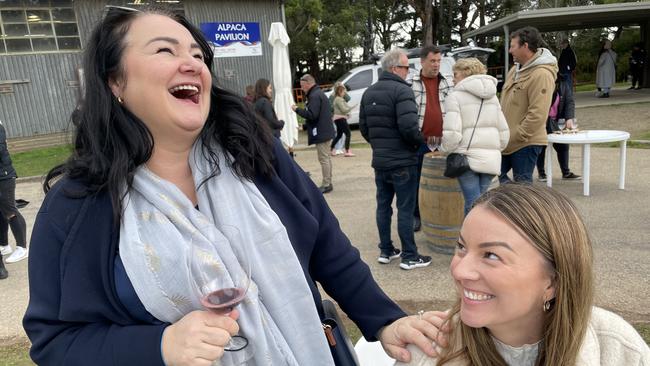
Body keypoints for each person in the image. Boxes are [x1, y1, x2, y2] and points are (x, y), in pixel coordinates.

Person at [22, 7, 441, 366]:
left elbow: (328, 247)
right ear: (114, 82)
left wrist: (384, 320)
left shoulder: (255, 152)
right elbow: (56, 342)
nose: (192, 64)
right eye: (166, 50)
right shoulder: (77, 204)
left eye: (198, 54)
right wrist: (160, 345)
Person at [397, 184, 650, 366]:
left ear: (553, 281)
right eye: (462, 247)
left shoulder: (617, 348)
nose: (460, 271)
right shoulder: (428, 350)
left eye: (491, 255)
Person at [359, 48, 430, 271]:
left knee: (383, 206)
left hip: (380, 161)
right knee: (405, 209)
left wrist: (380, 145)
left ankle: (386, 250)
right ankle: (409, 255)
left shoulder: (369, 92)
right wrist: (418, 143)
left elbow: (364, 128)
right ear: (394, 68)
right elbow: (409, 128)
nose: (409, 71)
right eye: (406, 67)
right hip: (402, 161)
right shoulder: (402, 91)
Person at [440, 58, 509, 216]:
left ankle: (470, 240)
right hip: (490, 160)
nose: (453, 78)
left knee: (473, 206)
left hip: (467, 160)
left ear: (466, 73)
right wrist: (494, 150)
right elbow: (504, 132)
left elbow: (452, 134)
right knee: (482, 204)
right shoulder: (493, 97)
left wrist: (444, 149)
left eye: (455, 74)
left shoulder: (455, 97)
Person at [499, 26, 558, 184]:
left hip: (525, 143)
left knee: (522, 188)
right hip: (506, 141)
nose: (510, 51)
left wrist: (516, 135)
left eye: (512, 46)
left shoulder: (542, 74)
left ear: (525, 46)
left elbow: (537, 115)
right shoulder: (514, 70)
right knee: (494, 178)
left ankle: (523, 209)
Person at [411, 46, 453, 232]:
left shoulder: (447, 82)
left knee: (444, 183)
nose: (436, 65)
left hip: (444, 142)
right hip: (420, 142)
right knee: (417, 180)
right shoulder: (411, 83)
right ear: (422, 61)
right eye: (432, 61)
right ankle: (416, 215)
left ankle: (440, 215)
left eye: (438, 61)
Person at [292, 74, 335, 194]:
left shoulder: (314, 96)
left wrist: (297, 109)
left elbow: (312, 115)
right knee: (326, 158)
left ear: (308, 83)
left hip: (322, 132)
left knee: (324, 159)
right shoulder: (318, 93)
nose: (301, 88)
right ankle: (328, 182)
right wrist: (306, 126)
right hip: (325, 130)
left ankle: (327, 184)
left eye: (302, 85)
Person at [536, 73, 581, 182]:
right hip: (542, 121)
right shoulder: (540, 85)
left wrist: (569, 118)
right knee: (541, 146)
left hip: (557, 122)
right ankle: (541, 173)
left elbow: (569, 102)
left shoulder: (564, 85)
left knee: (563, 145)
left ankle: (566, 172)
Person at [0, 120, 28, 264]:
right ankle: (4, 245)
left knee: (10, 210)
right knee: (1, 212)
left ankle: (22, 248)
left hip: (4, 176)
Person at [330, 84, 355, 157]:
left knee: (339, 135)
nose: (345, 93)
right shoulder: (339, 99)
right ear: (340, 92)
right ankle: (347, 151)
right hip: (340, 119)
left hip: (338, 119)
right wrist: (351, 108)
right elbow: (344, 110)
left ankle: (331, 149)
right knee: (348, 134)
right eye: (344, 92)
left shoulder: (337, 99)